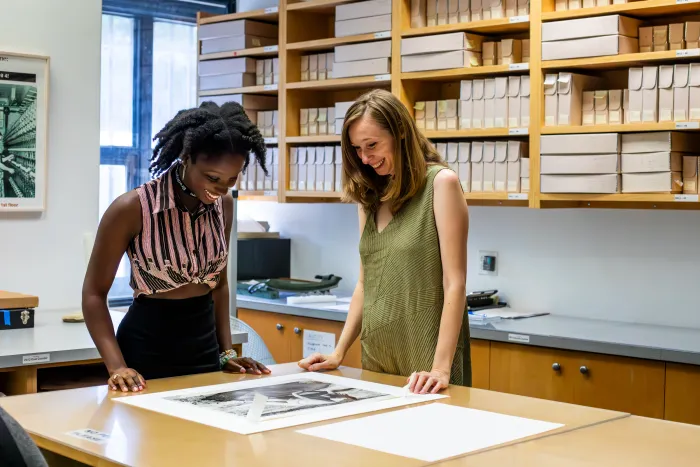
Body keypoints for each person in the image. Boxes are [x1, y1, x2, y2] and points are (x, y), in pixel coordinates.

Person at [83, 101, 271, 393]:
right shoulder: (132, 208)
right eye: (212, 178)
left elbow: (218, 285)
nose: (220, 190)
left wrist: (227, 353)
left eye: (231, 180)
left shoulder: (225, 205)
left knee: (210, 437)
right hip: (147, 350)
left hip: (205, 350)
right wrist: (117, 366)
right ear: (186, 157)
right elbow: (94, 295)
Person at [298, 89, 470, 394]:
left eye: (372, 145)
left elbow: (454, 283)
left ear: (400, 133)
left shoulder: (441, 184)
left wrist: (441, 368)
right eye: (357, 149)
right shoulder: (369, 196)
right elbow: (366, 284)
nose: (365, 158)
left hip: (427, 363)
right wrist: (339, 352)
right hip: (377, 355)